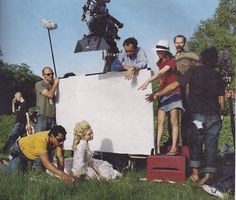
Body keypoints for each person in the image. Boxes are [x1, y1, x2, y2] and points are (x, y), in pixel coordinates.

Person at [146, 47, 225, 185]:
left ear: (202, 58)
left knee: (195, 143)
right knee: (212, 145)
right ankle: (208, 175)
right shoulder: (218, 75)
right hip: (214, 116)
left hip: (197, 115)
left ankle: (195, 175)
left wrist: (157, 94)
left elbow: (174, 85)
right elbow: (221, 101)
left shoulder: (193, 72)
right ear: (214, 60)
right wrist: (220, 112)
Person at [139, 40, 184, 155]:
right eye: (158, 50)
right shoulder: (159, 62)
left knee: (174, 121)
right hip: (163, 94)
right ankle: (157, 148)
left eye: (161, 51)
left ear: (166, 51)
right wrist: (157, 91)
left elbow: (160, 73)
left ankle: (174, 147)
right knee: (160, 122)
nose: (159, 52)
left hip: (174, 92)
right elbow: (161, 78)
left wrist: (148, 81)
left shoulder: (172, 61)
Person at [0, 125, 75, 184]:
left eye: (63, 140)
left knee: (23, 175)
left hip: (29, 155)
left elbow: (60, 157)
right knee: (12, 174)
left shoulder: (58, 141)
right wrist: (62, 174)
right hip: (19, 151)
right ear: (52, 136)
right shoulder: (42, 140)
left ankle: (3, 161)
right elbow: (46, 163)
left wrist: (61, 176)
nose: (62, 142)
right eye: (60, 140)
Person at [35, 66, 59, 132]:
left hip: (52, 117)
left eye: (52, 74)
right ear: (43, 75)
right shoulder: (39, 84)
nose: (51, 76)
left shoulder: (52, 85)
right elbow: (50, 95)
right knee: (39, 138)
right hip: (42, 116)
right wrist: (56, 83)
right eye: (48, 74)